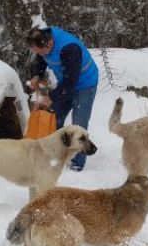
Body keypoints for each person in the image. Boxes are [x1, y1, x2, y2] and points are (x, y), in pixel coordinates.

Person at [26, 26, 99, 171]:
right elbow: (41, 61)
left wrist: (50, 97)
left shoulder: (70, 48)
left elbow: (71, 81)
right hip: (66, 82)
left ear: (50, 44)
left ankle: (77, 164)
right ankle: (56, 153)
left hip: (85, 84)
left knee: (79, 123)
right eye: (37, 51)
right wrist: (36, 74)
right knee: (55, 117)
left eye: (41, 51)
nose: (40, 54)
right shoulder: (43, 40)